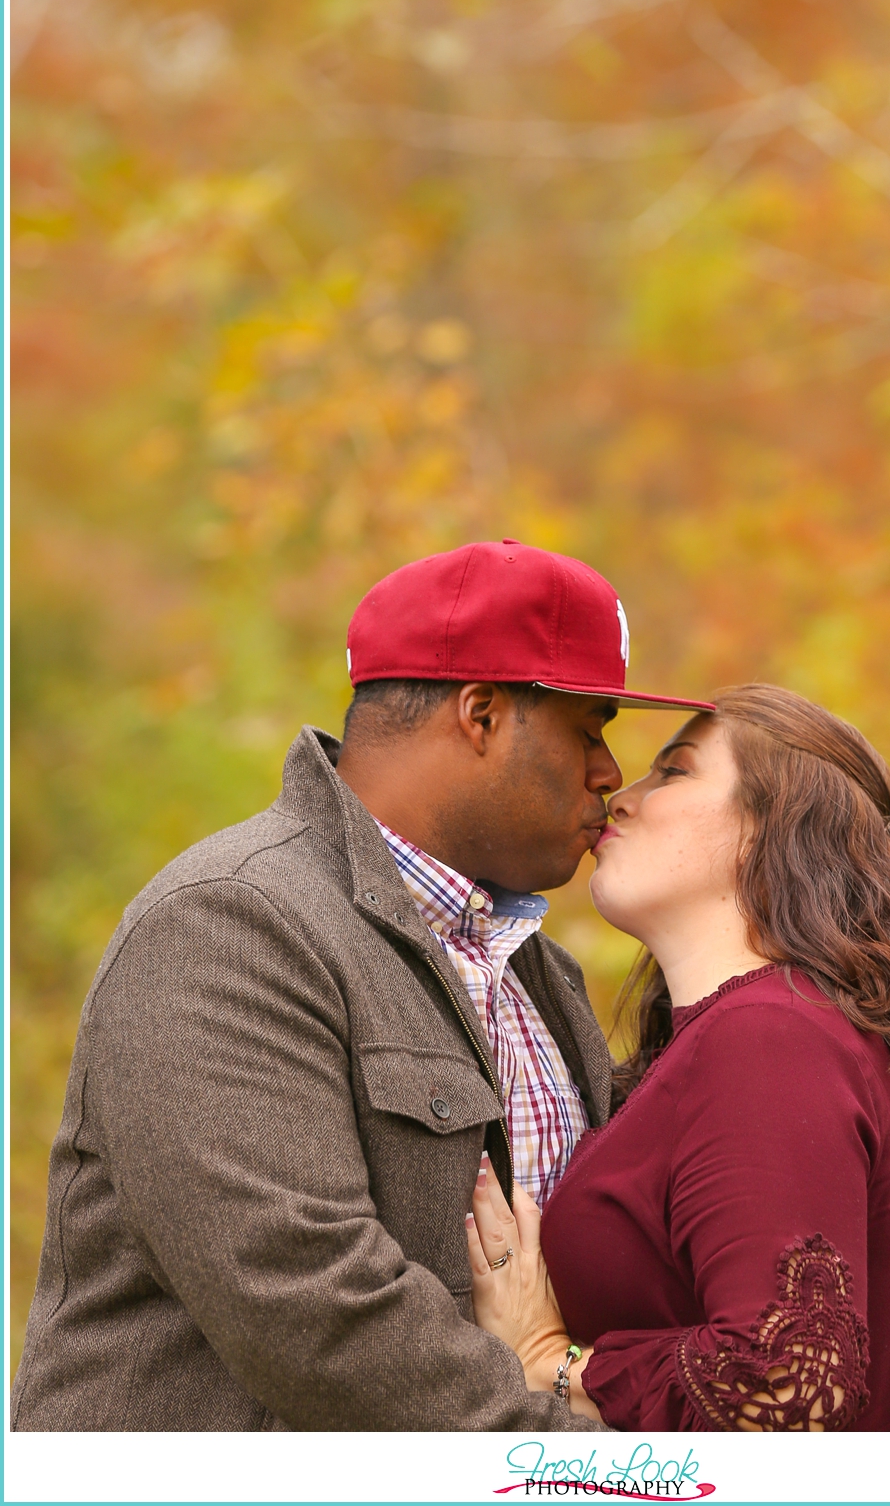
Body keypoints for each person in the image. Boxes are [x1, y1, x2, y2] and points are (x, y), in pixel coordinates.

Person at [11, 539, 713, 1432]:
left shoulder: (540, 971)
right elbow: (309, 1307)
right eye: (590, 729)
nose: (611, 772)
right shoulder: (230, 924)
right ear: (483, 714)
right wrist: (589, 1465)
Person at [465, 684, 890, 1432]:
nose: (621, 795)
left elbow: (786, 1384)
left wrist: (552, 1361)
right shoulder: (765, 1033)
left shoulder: (771, 1039)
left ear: (776, 825)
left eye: (672, 771)